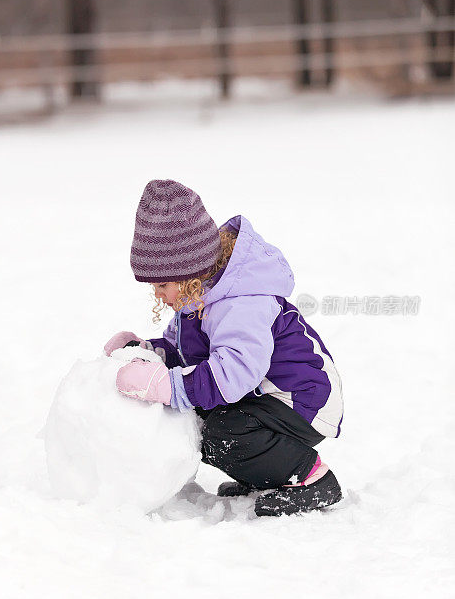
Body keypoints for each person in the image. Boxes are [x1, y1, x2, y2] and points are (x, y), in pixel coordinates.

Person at [104, 179, 344, 517]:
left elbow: (233, 374)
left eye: (162, 284)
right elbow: (186, 354)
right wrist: (148, 353)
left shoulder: (241, 303)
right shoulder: (196, 299)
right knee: (202, 414)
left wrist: (165, 385)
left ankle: (310, 478)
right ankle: (266, 473)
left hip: (300, 400)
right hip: (260, 395)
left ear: (189, 274)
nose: (158, 294)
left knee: (220, 429)